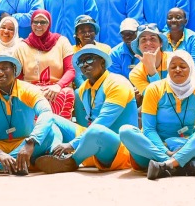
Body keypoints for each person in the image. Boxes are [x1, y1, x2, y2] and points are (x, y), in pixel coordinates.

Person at [119, 49, 195, 179]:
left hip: (187, 147)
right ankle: (177, 164)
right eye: (173, 67)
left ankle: (165, 166)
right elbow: (149, 129)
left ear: (191, 69)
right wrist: (166, 152)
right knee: (125, 131)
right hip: (153, 151)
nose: (177, 70)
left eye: (183, 66)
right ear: (168, 69)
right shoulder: (154, 89)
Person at [47, 45, 137, 174]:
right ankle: (54, 154)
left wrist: (72, 144)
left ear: (102, 62)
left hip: (119, 148)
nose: (84, 64)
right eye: (81, 62)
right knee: (50, 119)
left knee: (96, 130)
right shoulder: (83, 89)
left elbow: (103, 122)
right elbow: (88, 123)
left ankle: (71, 162)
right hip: (91, 139)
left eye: (89, 59)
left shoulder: (117, 83)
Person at [16, 9, 76, 118]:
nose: (39, 25)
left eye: (43, 22)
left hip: (57, 87)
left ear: (49, 24)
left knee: (66, 93)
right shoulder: (21, 46)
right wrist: (32, 89)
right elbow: (18, 77)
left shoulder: (62, 42)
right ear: (31, 24)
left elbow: (70, 70)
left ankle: (61, 127)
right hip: (31, 88)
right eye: (35, 22)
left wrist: (58, 86)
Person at [128, 18, 195, 95]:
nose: (148, 43)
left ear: (161, 43)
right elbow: (156, 97)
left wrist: (152, 70)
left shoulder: (176, 59)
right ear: (138, 46)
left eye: (153, 39)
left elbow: (183, 91)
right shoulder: (135, 74)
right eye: (143, 40)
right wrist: (151, 69)